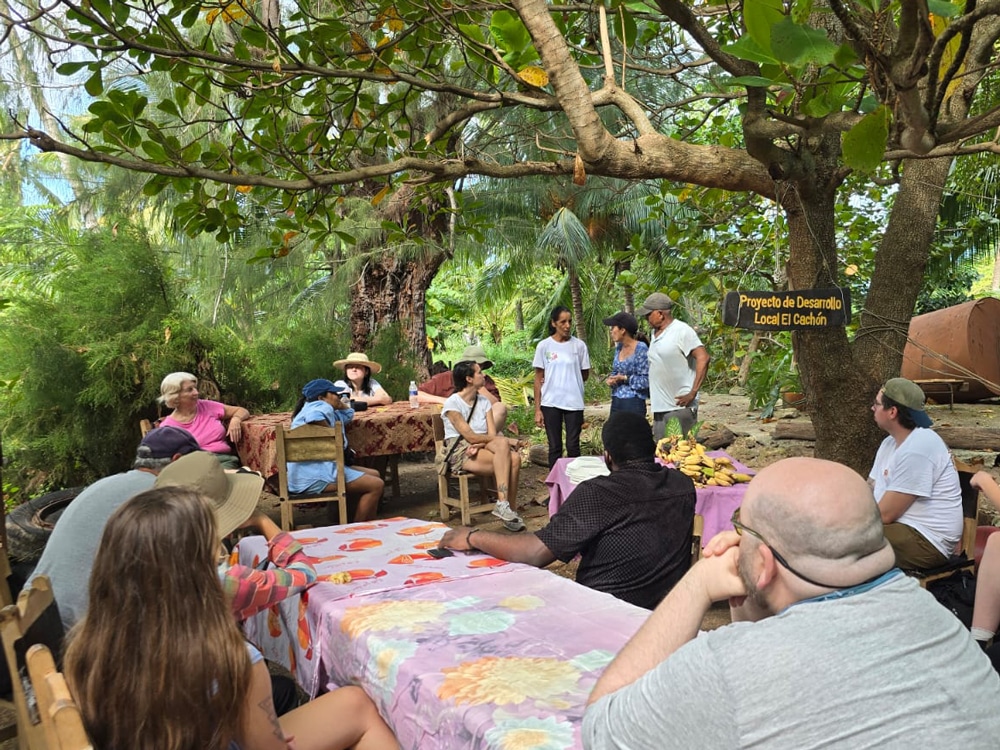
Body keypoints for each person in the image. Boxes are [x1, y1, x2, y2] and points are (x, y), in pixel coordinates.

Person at [583, 457, 1000, 748]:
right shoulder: (940, 620)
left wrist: (698, 583)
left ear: (763, 564)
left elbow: (603, 729)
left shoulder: (727, 668)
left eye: (741, 527)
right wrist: (748, 586)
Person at [64, 486, 399, 750]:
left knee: (351, 702)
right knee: (358, 704)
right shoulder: (233, 659)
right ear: (200, 573)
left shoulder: (86, 648)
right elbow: (270, 748)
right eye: (216, 556)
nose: (222, 563)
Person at [438, 411, 695, 608]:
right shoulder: (683, 485)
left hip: (602, 614)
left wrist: (473, 536)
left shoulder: (598, 493)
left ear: (607, 456)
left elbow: (535, 553)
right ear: (652, 449)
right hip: (664, 613)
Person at [28, 426, 202, 629]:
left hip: (33, 618)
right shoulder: (160, 498)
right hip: (80, 633)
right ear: (178, 461)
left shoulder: (103, 484)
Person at [869, 377, 962, 569]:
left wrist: (843, 520)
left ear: (892, 412)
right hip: (901, 529)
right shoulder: (889, 443)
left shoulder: (919, 446)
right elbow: (869, 486)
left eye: (877, 404)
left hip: (926, 540)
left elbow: (886, 515)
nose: (872, 408)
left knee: (845, 541)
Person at [439, 360, 526, 532]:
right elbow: (469, 436)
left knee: (515, 458)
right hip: (461, 450)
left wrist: (479, 444)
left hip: (480, 446)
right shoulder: (452, 403)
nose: (483, 375)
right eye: (479, 372)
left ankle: (508, 509)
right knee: (507, 451)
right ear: (469, 379)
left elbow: (492, 435)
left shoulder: (484, 402)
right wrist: (479, 442)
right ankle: (503, 505)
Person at [289, 378, 383, 522]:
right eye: (334, 394)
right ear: (321, 397)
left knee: (374, 474)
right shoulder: (321, 406)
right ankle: (360, 530)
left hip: (302, 476)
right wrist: (331, 435)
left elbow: (348, 415)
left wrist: (341, 405)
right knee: (376, 485)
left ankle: (341, 521)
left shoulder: (313, 408)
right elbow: (314, 417)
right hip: (316, 476)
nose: (338, 396)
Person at [636, 292, 709, 438]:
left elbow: (703, 357)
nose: (646, 319)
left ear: (660, 314)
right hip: (660, 407)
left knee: (682, 454)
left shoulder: (682, 331)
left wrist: (693, 392)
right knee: (663, 453)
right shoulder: (655, 333)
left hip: (679, 407)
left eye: (648, 315)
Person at [532, 305, 591, 467]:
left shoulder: (579, 346)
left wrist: (571, 381)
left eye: (569, 321)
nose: (567, 325)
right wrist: (537, 409)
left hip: (574, 403)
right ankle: (556, 487)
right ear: (554, 323)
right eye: (563, 322)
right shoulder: (544, 346)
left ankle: (575, 487)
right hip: (550, 403)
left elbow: (584, 374)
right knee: (555, 447)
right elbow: (538, 378)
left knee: (573, 446)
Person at [158, 371, 251, 468]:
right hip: (192, 468)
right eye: (190, 390)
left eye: (195, 388)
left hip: (222, 462)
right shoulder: (167, 427)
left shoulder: (206, 406)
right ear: (175, 396)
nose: (196, 392)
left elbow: (242, 411)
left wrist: (236, 419)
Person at [417, 344, 508, 431]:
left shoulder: (485, 381)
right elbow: (416, 395)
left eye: (480, 366)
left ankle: (482, 439)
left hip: (481, 425)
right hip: (454, 426)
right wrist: (443, 400)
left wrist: (478, 386)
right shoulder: (446, 378)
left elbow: (496, 406)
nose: (478, 368)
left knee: (500, 412)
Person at [602, 311, 649, 416]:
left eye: (613, 328)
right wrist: (612, 379)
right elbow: (616, 371)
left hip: (634, 401)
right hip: (616, 399)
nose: (611, 331)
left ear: (623, 330)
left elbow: (646, 380)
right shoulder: (619, 347)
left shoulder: (641, 348)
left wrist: (624, 378)